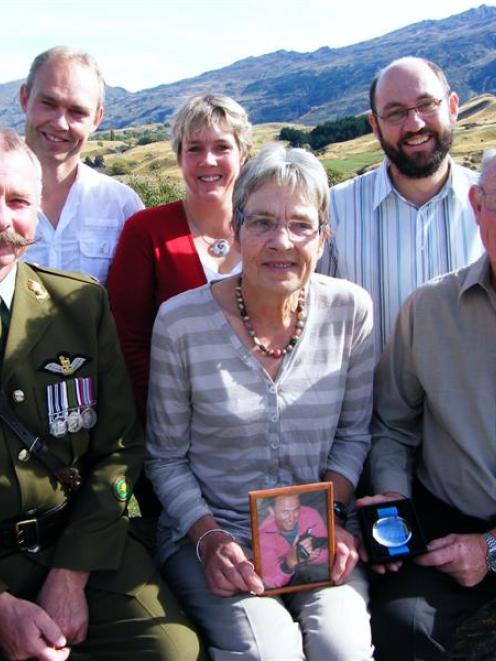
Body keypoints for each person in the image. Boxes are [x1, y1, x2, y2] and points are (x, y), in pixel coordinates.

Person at [146, 143, 375, 660]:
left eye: (300, 225)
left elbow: (355, 433)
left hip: (322, 532)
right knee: (268, 652)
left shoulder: (351, 312)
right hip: (215, 532)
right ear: (235, 230)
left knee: (342, 647)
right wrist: (208, 541)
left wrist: (332, 516)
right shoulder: (181, 323)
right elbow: (165, 459)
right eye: (263, 222)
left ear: (323, 237)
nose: (281, 242)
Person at [0, 129, 200, 661]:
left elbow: (118, 448)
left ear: (36, 211)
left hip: (75, 537)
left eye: (17, 201)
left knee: (170, 650)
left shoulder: (78, 304)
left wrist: (70, 574)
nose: (3, 219)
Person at [359, 149, 496, 659]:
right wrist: (395, 508)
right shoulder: (430, 308)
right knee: (401, 627)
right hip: (445, 519)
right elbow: (391, 425)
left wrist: (491, 549)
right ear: (477, 204)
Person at [317, 56, 484, 356]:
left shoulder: (490, 205)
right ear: (375, 125)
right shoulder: (335, 211)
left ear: (453, 106)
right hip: (370, 403)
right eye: (395, 113)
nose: (415, 124)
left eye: (427, 105)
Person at [108, 93, 251, 420]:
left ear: (243, 154)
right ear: (179, 157)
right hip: (173, 425)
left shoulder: (266, 228)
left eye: (222, 147)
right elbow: (129, 341)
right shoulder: (146, 231)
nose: (208, 160)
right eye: (194, 148)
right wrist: (166, 415)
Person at [19, 46, 143, 283]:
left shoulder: (121, 206)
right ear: (25, 99)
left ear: (96, 119)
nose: (60, 123)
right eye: (49, 103)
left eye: (77, 112)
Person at [259, 494, 329, 589]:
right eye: (285, 512)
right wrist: (289, 562)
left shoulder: (311, 515)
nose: (292, 518)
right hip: (282, 588)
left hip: (311, 579)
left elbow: (328, 552)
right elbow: (270, 581)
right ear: (272, 511)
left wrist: (310, 558)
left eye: (296, 510)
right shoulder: (264, 534)